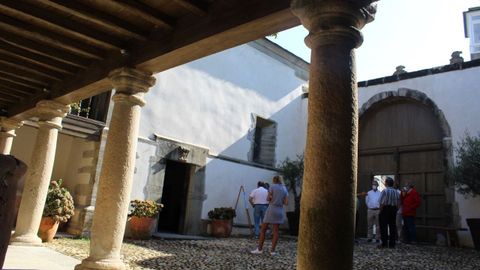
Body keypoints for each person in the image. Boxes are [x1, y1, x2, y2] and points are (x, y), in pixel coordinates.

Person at [251, 175, 288, 255]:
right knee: (276, 231)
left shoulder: (272, 187)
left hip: (271, 209)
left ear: (274, 180)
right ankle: (272, 251)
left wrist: (272, 198)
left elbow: (268, 199)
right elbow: (286, 203)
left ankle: (259, 249)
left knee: (263, 230)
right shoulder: (284, 189)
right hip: (279, 210)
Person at [378, 177, 400, 249]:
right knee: (392, 227)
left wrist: (380, 211)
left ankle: (384, 243)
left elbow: (382, 202)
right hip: (393, 209)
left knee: (383, 227)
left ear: (386, 183)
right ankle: (392, 244)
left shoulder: (384, 191)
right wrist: (396, 210)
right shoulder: (396, 192)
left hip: (385, 209)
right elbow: (398, 203)